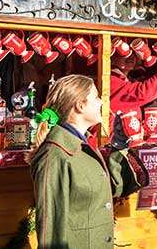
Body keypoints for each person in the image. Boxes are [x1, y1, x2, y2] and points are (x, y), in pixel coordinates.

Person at [30, 74, 148, 249]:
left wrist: (119, 146)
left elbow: (115, 187)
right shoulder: (55, 154)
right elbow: (52, 225)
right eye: (96, 97)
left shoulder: (83, 145)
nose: (101, 102)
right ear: (80, 105)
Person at [110, 51, 157, 126]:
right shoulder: (111, 80)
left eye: (133, 53)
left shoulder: (126, 80)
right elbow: (142, 93)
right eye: (123, 53)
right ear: (111, 58)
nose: (130, 56)